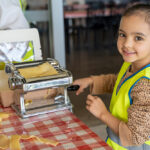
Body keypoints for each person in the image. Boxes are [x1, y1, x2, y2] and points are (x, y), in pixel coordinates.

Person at [73, 3, 150, 150]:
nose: (127, 44)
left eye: (138, 38)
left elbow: (135, 136)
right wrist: (91, 81)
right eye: (122, 35)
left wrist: (103, 114)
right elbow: (120, 82)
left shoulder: (146, 85)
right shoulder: (132, 63)